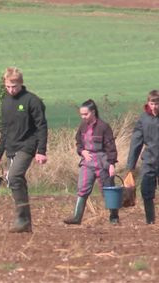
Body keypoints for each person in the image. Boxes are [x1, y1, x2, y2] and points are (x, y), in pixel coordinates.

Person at [0, 67, 48, 233]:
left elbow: (41, 127)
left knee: (14, 176)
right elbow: (5, 129)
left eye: (14, 86)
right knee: (15, 180)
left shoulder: (32, 101)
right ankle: (26, 223)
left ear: (21, 83)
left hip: (27, 146)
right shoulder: (6, 101)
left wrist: (41, 150)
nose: (11, 89)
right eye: (8, 86)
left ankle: (21, 219)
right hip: (11, 147)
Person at [64, 99, 119, 225]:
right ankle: (77, 217)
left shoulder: (104, 127)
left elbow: (111, 146)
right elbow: (78, 142)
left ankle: (114, 217)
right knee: (82, 188)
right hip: (87, 162)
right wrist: (82, 151)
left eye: (85, 114)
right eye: (81, 114)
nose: (83, 117)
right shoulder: (82, 126)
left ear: (93, 112)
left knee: (108, 190)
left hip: (102, 162)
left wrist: (111, 164)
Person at [126, 90, 159, 224]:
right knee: (146, 191)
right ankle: (150, 221)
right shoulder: (143, 119)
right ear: (148, 104)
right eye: (152, 103)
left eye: (157, 103)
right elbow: (136, 143)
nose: (155, 107)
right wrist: (130, 166)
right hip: (149, 160)